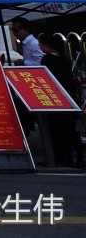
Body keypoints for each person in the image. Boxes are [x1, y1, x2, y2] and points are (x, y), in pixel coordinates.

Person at [38, 34, 82, 168]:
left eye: (41, 44)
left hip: (55, 97)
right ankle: (78, 159)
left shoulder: (47, 59)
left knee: (57, 130)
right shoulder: (65, 58)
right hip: (69, 97)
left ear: (46, 45)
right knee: (71, 130)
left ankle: (60, 158)